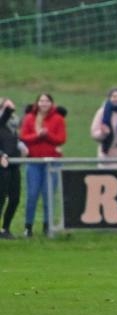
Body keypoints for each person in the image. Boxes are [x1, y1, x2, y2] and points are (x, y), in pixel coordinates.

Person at [19, 93, 67, 237]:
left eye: (47, 101)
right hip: (34, 161)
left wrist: (47, 135)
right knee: (32, 195)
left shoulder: (58, 119)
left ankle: (48, 226)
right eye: (41, 101)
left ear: (51, 103)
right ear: (37, 103)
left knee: (48, 195)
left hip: (51, 162)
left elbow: (61, 139)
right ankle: (28, 227)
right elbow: (24, 137)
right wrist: (37, 136)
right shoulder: (29, 118)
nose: (44, 103)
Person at [0, 98, 27, 239]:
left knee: (15, 198)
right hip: (2, 166)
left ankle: (5, 228)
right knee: (1, 198)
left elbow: (16, 139)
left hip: (14, 164)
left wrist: (23, 148)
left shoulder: (10, 126)